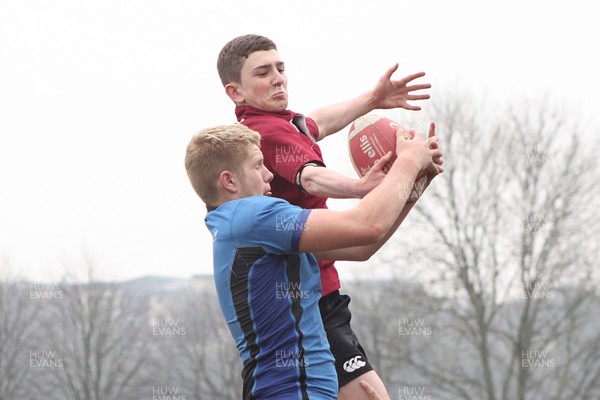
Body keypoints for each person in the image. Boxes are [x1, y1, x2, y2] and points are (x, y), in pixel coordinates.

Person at [217, 34, 433, 399]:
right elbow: (311, 176)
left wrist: (373, 100)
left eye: (281, 68)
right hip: (308, 305)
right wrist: (359, 187)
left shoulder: (278, 123)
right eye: (263, 72)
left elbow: (317, 122)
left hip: (318, 288)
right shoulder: (266, 133)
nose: (278, 78)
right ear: (235, 92)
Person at [184, 123, 442, 399]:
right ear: (229, 181)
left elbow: (361, 247)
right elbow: (367, 225)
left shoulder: (243, 226)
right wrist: (408, 160)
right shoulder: (252, 217)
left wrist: (415, 183)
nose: (269, 174)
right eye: (258, 165)